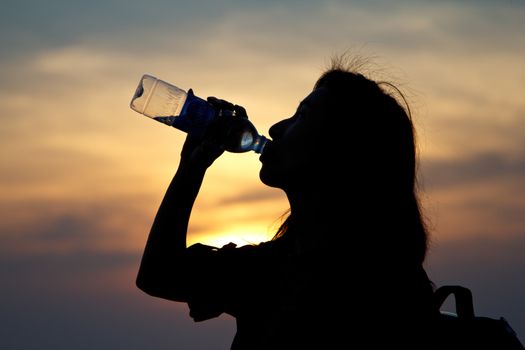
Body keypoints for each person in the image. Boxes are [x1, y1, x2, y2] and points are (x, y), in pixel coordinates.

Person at [136, 56, 440, 349]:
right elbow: (159, 274)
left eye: (302, 116)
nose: (275, 128)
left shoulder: (361, 286)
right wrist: (191, 165)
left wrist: (190, 170)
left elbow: (159, 274)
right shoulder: (278, 266)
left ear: (340, 153)